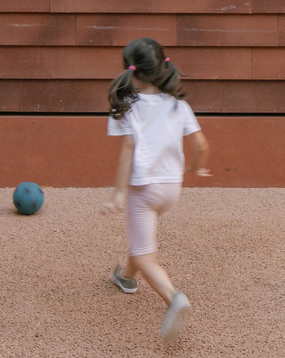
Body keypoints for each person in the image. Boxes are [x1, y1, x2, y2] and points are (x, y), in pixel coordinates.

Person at [101, 36, 210, 345]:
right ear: (162, 67)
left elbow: (128, 150)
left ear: (131, 71)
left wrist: (118, 194)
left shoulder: (127, 106)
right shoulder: (178, 104)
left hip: (144, 191)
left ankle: (174, 298)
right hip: (171, 188)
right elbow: (201, 144)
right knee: (141, 240)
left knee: (145, 254)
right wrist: (196, 167)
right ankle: (126, 277)